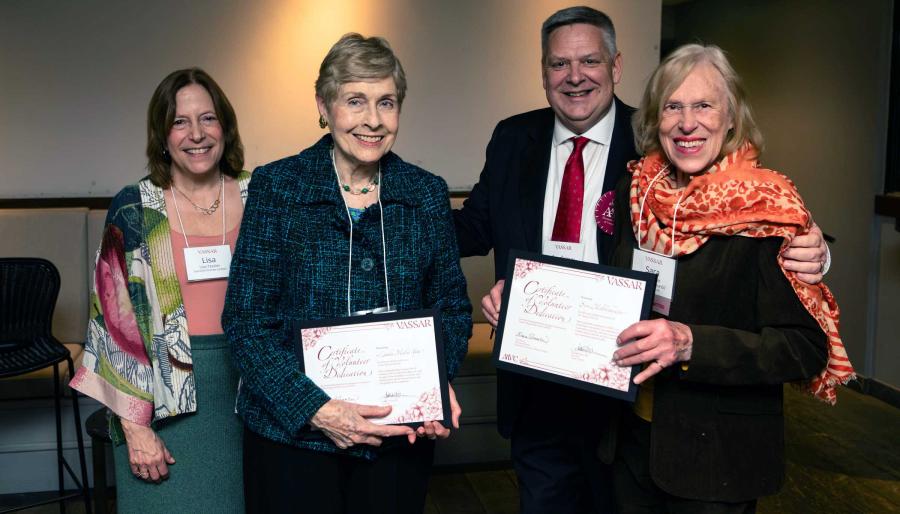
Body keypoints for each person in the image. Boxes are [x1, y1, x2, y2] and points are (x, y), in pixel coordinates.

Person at [454, 6, 831, 514]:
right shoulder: (527, 143)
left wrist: (816, 251)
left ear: (616, 65)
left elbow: (770, 236)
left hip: (631, 400)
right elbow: (473, 227)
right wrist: (387, 209)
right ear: (543, 71)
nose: (574, 77)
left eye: (589, 60)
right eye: (558, 64)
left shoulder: (652, 152)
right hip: (542, 387)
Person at [222, 33, 471, 514]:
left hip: (398, 439)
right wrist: (315, 408)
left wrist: (433, 382)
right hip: (292, 440)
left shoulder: (426, 194)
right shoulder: (278, 187)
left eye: (387, 102)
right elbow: (247, 322)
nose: (373, 120)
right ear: (324, 105)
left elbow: (454, 309)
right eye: (355, 101)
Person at [608, 43, 855, 513]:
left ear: (732, 116)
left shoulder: (768, 208)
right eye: (672, 107)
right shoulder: (637, 191)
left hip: (716, 460)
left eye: (704, 105)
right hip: (631, 441)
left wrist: (690, 344)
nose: (687, 123)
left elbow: (803, 348)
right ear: (655, 120)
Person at [70, 68, 249, 512]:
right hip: (164, 403)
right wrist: (135, 428)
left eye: (207, 118)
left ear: (224, 124)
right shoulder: (134, 208)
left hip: (253, 394)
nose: (196, 134)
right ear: (162, 134)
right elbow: (113, 325)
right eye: (179, 122)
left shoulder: (259, 194)